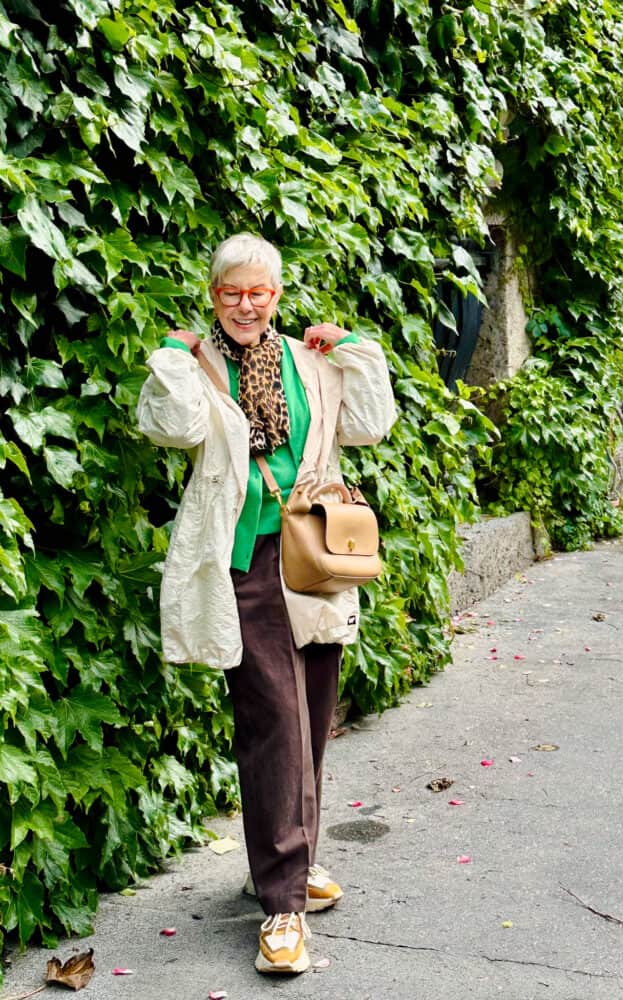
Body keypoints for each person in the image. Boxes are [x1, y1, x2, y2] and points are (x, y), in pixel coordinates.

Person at [136, 232, 397, 975]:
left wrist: (352, 346)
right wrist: (170, 352)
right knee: (271, 718)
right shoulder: (198, 368)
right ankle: (282, 907)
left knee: (312, 712)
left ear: (277, 295)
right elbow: (170, 426)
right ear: (212, 297)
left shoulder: (309, 365)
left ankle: (289, 858)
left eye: (259, 292)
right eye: (230, 293)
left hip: (313, 554)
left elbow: (370, 425)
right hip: (243, 559)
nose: (245, 305)